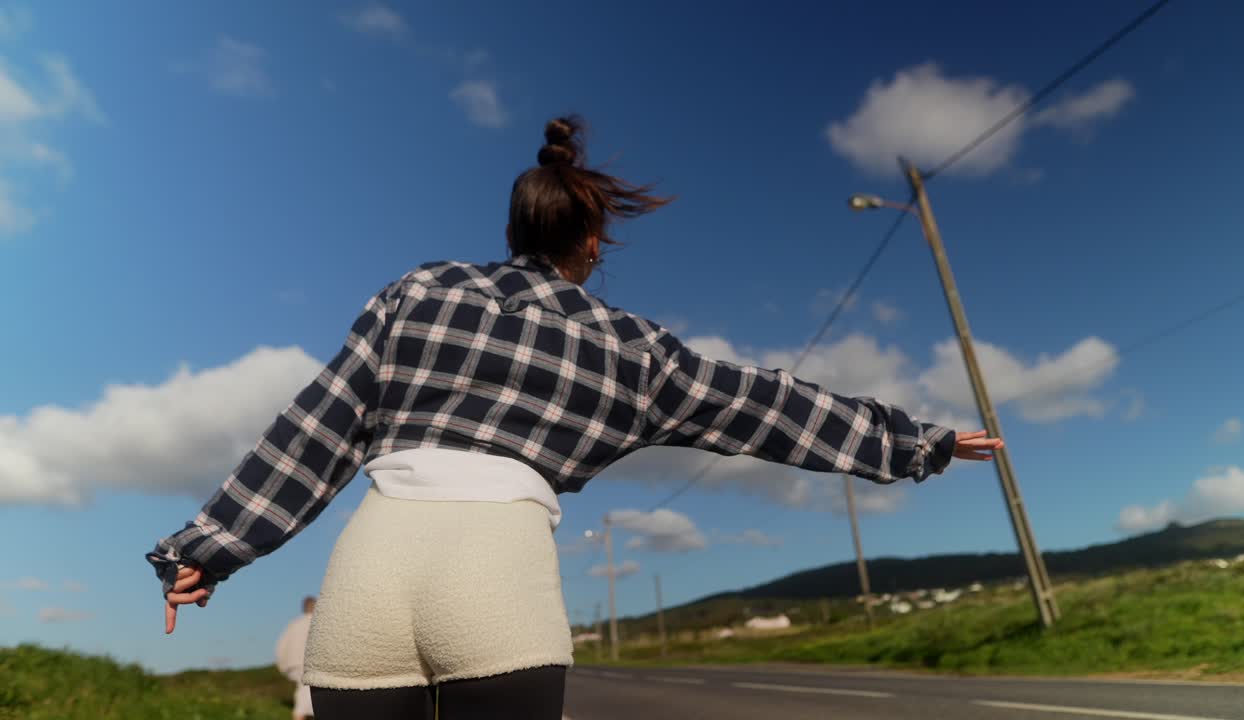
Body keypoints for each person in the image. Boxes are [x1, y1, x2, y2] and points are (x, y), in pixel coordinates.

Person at [147, 115, 1003, 720]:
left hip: (370, 569)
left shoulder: (421, 291)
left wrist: (208, 549)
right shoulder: (628, 347)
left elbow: (317, 425)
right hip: (496, 572)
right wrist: (913, 442)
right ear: (591, 243)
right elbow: (763, 405)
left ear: (515, 230)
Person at [275, 596, 316, 720]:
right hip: (310, 664)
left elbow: (281, 646)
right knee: (308, 689)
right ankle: (299, 715)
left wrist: (282, 665)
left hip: (293, 664)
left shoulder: (294, 624)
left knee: (305, 689)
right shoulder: (318, 622)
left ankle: (303, 714)